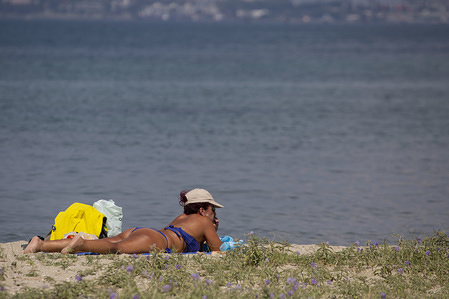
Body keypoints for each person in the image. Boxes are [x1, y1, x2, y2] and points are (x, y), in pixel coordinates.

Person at [24, 188, 223, 254]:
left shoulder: (182, 218)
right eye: (212, 210)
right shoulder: (204, 221)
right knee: (115, 249)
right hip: (155, 240)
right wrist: (214, 228)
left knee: (113, 242)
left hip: (143, 232)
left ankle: (40, 244)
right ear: (202, 209)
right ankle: (83, 243)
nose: (214, 214)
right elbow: (217, 250)